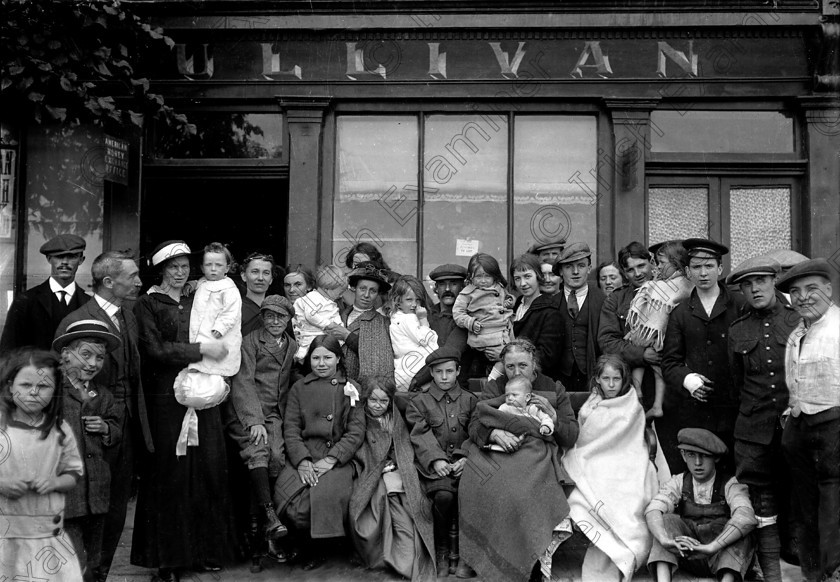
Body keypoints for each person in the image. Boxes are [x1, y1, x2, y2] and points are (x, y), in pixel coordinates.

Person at [131, 239, 234, 582]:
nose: (180, 272)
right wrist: (201, 349)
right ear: (161, 271)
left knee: (206, 471)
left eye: (185, 266)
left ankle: (203, 552)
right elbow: (155, 349)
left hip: (203, 396)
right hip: (166, 401)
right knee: (172, 477)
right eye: (173, 267)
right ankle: (169, 560)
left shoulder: (197, 296)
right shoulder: (147, 304)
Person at [54, 250, 152, 580]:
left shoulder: (129, 315)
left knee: (113, 513)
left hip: (121, 429)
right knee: (82, 512)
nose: (139, 281)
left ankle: (99, 575)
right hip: (85, 435)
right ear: (109, 282)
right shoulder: (77, 320)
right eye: (132, 276)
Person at [460, 341, 577, 582]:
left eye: (523, 365)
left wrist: (553, 417)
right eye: (510, 366)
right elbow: (474, 423)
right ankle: (486, 558)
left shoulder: (552, 388)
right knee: (482, 484)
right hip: (496, 450)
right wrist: (493, 433)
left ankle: (530, 560)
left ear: (534, 364)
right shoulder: (496, 387)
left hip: (536, 452)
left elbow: (571, 434)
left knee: (523, 493)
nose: (516, 372)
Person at [563, 354, 670, 582]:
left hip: (628, 456)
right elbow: (586, 437)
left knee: (634, 488)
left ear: (624, 380)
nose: (611, 385)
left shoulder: (631, 402)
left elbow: (630, 436)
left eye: (616, 379)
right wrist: (586, 414)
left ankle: (625, 548)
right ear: (597, 379)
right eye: (606, 378)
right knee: (593, 483)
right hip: (593, 457)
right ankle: (614, 547)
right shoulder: (591, 403)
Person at [726, 255, 800, 582]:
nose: (755, 289)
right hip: (754, 435)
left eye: (761, 281)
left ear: (774, 282)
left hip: (795, 430)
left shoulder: (798, 320)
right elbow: (735, 384)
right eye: (747, 284)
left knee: (804, 500)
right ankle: (773, 577)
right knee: (763, 509)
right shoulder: (738, 329)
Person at [273, 335, 366, 570]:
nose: (321, 363)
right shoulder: (299, 388)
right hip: (305, 454)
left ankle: (319, 550)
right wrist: (302, 461)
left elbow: (356, 431)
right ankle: (305, 545)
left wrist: (332, 458)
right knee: (293, 503)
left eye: (327, 357)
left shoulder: (350, 387)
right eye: (316, 358)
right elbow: (291, 429)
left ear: (338, 359)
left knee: (322, 499)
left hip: (337, 458)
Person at [777, 258, 840, 582]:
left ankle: (833, 573)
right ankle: (815, 575)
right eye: (796, 292)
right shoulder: (796, 335)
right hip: (801, 430)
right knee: (805, 508)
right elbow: (794, 387)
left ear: (828, 289)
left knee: (834, 507)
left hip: (834, 430)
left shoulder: (838, 328)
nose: (803, 297)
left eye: (811, 289)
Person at [0, 348, 84, 582]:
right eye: (26, 385)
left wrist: (55, 481)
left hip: (47, 535)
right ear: (10, 386)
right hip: (5, 536)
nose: (34, 392)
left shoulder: (59, 430)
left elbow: (73, 471)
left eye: (43, 386)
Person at [662, 239, 746, 473]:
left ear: (720, 269)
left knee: (734, 471)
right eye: (697, 267)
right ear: (688, 272)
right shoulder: (680, 312)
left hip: (735, 407)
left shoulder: (739, 305)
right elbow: (669, 362)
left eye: (709, 266)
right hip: (696, 408)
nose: (703, 273)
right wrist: (687, 380)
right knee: (701, 472)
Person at [227, 295, 297, 572]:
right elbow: (242, 382)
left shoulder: (291, 346)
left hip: (274, 416)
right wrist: (254, 420)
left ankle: (273, 532)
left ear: (289, 319)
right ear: (263, 318)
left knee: (278, 457)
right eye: (270, 316)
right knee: (259, 449)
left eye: (281, 317)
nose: (275, 322)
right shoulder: (251, 342)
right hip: (247, 412)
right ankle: (268, 518)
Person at [54, 320, 123, 582]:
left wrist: (106, 428)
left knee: (93, 559)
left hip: (96, 493)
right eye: (85, 355)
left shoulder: (102, 395)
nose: (92, 364)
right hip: (64, 496)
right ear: (65, 355)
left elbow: (117, 428)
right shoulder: (51, 392)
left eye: (99, 358)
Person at [350, 376, 436, 581]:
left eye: (383, 401)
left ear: (390, 402)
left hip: (399, 472)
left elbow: (404, 446)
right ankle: (397, 559)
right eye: (373, 400)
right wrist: (378, 466)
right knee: (390, 512)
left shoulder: (395, 420)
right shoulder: (359, 419)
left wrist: (395, 464)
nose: (378, 406)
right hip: (374, 475)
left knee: (413, 509)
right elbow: (358, 449)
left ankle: (415, 555)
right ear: (365, 399)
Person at [645, 428, 757, 582]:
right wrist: (665, 539)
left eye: (704, 456)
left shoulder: (730, 484)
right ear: (683, 456)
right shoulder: (678, 482)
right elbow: (653, 509)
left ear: (716, 458)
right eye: (691, 455)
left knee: (742, 533)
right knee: (666, 520)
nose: (697, 463)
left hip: (720, 556)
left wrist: (712, 547)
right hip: (689, 555)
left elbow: (746, 517)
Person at [405, 346, 478, 579]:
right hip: (434, 470)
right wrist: (435, 460)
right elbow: (420, 434)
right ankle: (443, 552)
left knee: (472, 495)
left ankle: (465, 555)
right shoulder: (420, 402)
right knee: (444, 497)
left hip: (465, 466)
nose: (444, 377)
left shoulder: (470, 400)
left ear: (458, 371)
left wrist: (466, 456)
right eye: (439, 372)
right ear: (432, 373)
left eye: (449, 371)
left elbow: (476, 433)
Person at [172, 242, 242, 458]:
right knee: (199, 372)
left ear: (227, 267)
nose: (213, 269)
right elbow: (198, 284)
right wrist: (192, 284)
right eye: (208, 265)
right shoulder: (202, 283)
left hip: (218, 336)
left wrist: (219, 328)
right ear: (202, 268)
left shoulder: (229, 289)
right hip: (200, 336)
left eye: (218, 265)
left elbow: (231, 313)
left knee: (213, 377)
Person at [624, 241, 693, 419]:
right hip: (656, 336)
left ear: (676, 263)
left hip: (659, 335)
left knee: (652, 361)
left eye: (662, 263)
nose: (659, 267)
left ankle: (643, 396)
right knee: (646, 358)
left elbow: (659, 308)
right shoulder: (673, 282)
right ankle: (647, 398)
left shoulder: (671, 285)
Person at [1, 234, 90, 352]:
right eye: (59, 256)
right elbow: (9, 350)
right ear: (48, 258)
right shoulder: (25, 301)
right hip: (37, 370)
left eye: (71, 256)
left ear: (81, 260)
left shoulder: (89, 303)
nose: (64, 262)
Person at [329, 261, 395, 381]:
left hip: (359, 386)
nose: (366, 295)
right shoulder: (337, 314)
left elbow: (379, 357)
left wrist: (347, 336)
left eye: (373, 291)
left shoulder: (382, 322)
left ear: (378, 294)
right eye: (362, 289)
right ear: (354, 288)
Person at [452, 253, 514, 379]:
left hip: (503, 331)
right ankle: (493, 379)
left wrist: (509, 301)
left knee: (510, 356)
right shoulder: (467, 293)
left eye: (487, 276)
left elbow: (508, 297)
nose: (483, 280)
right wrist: (470, 322)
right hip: (484, 334)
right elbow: (458, 313)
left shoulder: (499, 287)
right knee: (507, 357)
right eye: (479, 276)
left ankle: (494, 379)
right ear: (471, 277)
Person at [553, 242, 605, 392]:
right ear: (561, 272)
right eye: (569, 267)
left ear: (589, 269)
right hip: (559, 378)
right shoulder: (551, 304)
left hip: (593, 376)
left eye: (581, 266)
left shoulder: (603, 301)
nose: (575, 272)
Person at [509, 254, 563, 380]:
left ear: (539, 276)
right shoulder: (515, 307)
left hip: (535, 380)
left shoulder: (550, 311)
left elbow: (547, 357)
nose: (523, 283)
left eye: (527, 276)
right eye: (517, 278)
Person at [390, 275, 439, 391]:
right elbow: (424, 339)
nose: (414, 304)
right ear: (398, 301)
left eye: (417, 300)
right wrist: (423, 319)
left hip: (404, 371)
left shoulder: (396, 318)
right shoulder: (408, 319)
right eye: (409, 300)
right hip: (416, 370)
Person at [292, 265, 346, 363]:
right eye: (340, 291)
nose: (341, 295)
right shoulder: (314, 298)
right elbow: (310, 315)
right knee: (310, 345)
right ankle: (302, 355)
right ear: (328, 289)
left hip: (324, 336)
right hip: (311, 333)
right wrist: (327, 324)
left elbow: (333, 315)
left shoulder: (328, 301)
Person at [240, 252, 278, 336]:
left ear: (271, 279)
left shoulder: (278, 309)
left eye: (266, 273)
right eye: (255, 272)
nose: (260, 278)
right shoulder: (235, 309)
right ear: (244, 276)